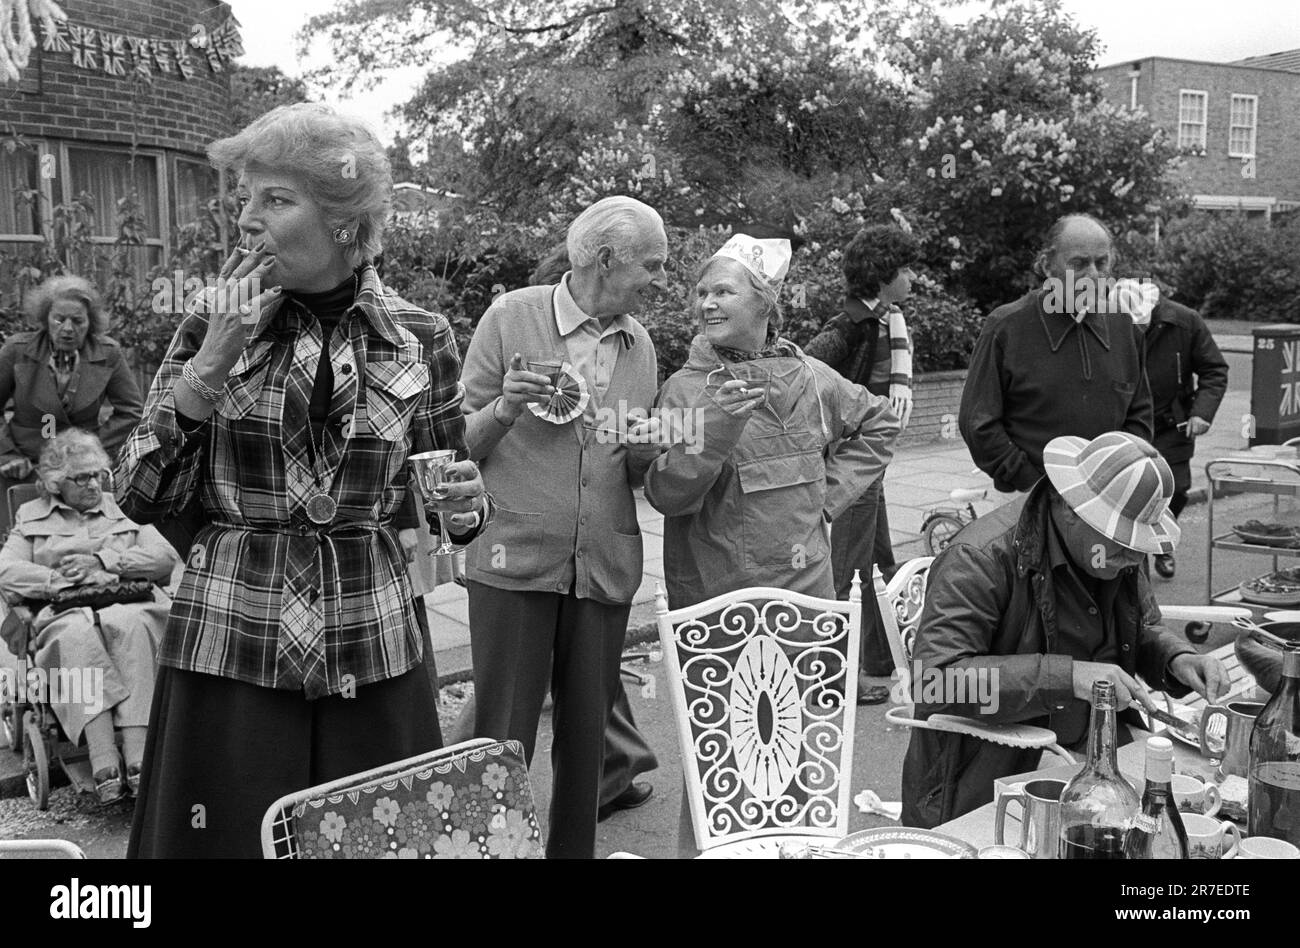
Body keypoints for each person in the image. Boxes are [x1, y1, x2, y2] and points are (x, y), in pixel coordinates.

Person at [113, 103, 489, 858]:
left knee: (381, 842)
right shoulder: (207, 324)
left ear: (347, 221)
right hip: (234, 642)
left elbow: (450, 507)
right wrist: (210, 365)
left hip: (371, 644)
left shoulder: (423, 336)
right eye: (245, 199)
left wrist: (469, 504)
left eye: (275, 199)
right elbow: (137, 489)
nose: (246, 222)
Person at [459, 195, 666, 858]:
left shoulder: (640, 345)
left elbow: (627, 470)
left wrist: (651, 447)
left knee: (586, 747)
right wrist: (505, 408)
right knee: (500, 741)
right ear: (607, 259)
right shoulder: (510, 317)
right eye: (652, 265)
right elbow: (459, 445)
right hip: (513, 560)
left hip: (603, 564)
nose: (660, 280)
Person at [900, 431, 1230, 828]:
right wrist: (1068, 677)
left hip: (1093, 758)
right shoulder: (978, 558)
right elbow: (935, 683)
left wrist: (1176, 658)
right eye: (1120, 542)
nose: (1132, 557)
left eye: (1137, 545)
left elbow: (1142, 627)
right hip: (988, 773)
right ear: (1072, 508)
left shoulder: (1114, 554)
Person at [645, 233, 899, 606]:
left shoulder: (813, 378)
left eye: (722, 292)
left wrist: (827, 497)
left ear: (765, 302)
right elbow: (668, 497)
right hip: (719, 606)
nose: (706, 304)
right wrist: (715, 432)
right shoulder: (684, 391)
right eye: (701, 293)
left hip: (808, 599)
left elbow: (882, 423)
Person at [0, 429, 179, 803]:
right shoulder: (30, 516)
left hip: (130, 604)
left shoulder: (125, 507)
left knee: (131, 626)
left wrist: (106, 562)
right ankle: (102, 758)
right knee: (76, 636)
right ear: (54, 484)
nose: (93, 484)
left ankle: (137, 754)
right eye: (80, 478)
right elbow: (6, 570)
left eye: (98, 474)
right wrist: (55, 579)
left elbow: (164, 558)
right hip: (66, 611)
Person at [959, 213, 1153, 493]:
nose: (1094, 275)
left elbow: (1140, 414)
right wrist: (1028, 481)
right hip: (1028, 498)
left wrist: (1120, 474)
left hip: (1108, 498)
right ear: (1047, 266)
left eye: (1101, 262)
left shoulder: (1123, 327)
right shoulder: (1006, 326)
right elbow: (978, 422)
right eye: (1079, 264)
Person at [804, 224, 919, 692]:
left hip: (871, 458)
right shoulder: (850, 324)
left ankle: (877, 656)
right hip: (854, 460)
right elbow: (804, 370)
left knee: (878, 560)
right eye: (907, 268)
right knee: (849, 566)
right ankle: (828, 673)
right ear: (883, 273)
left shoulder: (882, 321)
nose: (913, 277)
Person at [1114, 279, 1228, 578]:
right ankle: (1133, 554)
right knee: (1128, 493)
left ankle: (1162, 543)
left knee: (1175, 491)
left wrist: (1201, 413)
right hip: (1126, 425)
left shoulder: (1185, 322)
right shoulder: (1108, 320)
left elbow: (1214, 369)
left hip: (1172, 424)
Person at [0, 276, 143, 486]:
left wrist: (89, 447)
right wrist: (7, 455)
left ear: (90, 322)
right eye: (59, 319)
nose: (67, 328)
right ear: (45, 318)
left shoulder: (108, 353)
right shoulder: (16, 350)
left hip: (84, 470)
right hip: (24, 467)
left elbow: (131, 411)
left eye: (77, 321)